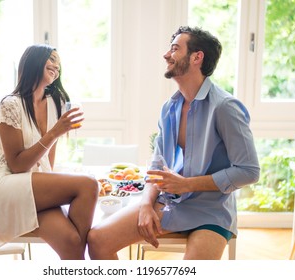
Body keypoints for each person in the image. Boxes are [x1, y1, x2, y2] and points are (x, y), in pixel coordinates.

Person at [87, 26, 260, 260]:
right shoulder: (169, 108)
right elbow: (157, 167)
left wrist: (188, 184)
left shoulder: (225, 107)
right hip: (169, 203)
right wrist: (146, 204)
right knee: (97, 240)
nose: (166, 55)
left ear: (197, 57)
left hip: (211, 210)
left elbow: (249, 171)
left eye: (175, 49)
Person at [0, 44, 99, 260]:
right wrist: (54, 133)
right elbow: (17, 166)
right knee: (89, 184)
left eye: (58, 64)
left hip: (33, 186)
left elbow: (48, 157)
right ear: (33, 62)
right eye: (51, 60)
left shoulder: (54, 103)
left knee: (72, 241)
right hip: (6, 184)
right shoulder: (10, 105)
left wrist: (50, 182)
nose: (56, 67)